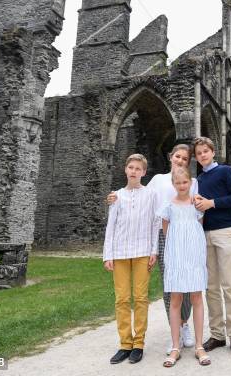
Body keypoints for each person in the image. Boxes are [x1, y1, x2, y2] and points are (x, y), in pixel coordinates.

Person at [106, 144, 197, 354]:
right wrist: (114, 197)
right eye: (177, 156)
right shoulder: (157, 181)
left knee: (188, 283)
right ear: (170, 157)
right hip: (164, 236)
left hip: (185, 236)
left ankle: (184, 325)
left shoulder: (194, 182)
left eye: (185, 158)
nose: (180, 160)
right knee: (169, 284)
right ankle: (174, 331)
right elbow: (147, 206)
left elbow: (195, 206)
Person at [192, 137, 231, 358]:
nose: (203, 155)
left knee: (229, 285)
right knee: (211, 287)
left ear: (213, 152)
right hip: (205, 234)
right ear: (196, 157)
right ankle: (217, 334)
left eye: (206, 151)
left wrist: (211, 203)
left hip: (225, 232)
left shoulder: (225, 171)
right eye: (199, 153)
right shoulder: (199, 179)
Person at [103, 154, 159, 365]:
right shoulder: (116, 196)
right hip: (119, 253)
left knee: (141, 298)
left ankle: (139, 343)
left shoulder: (151, 195)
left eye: (138, 168)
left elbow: (155, 223)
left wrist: (154, 251)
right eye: (131, 167)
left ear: (144, 172)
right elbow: (111, 226)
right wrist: (108, 254)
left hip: (143, 251)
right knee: (122, 299)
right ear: (125, 170)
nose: (134, 171)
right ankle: (125, 343)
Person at [157, 167, 210, 367]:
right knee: (176, 298)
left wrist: (197, 253)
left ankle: (198, 346)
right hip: (176, 256)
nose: (181, 186)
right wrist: (172, 256)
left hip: (194, 255)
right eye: (178, 183)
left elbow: (199, 227)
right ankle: (175, 347)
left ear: (190, 182)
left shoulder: (197, 204)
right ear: (173, 184)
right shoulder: (168, 206)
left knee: (197, 297)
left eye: (184, 182)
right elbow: (166, 232)